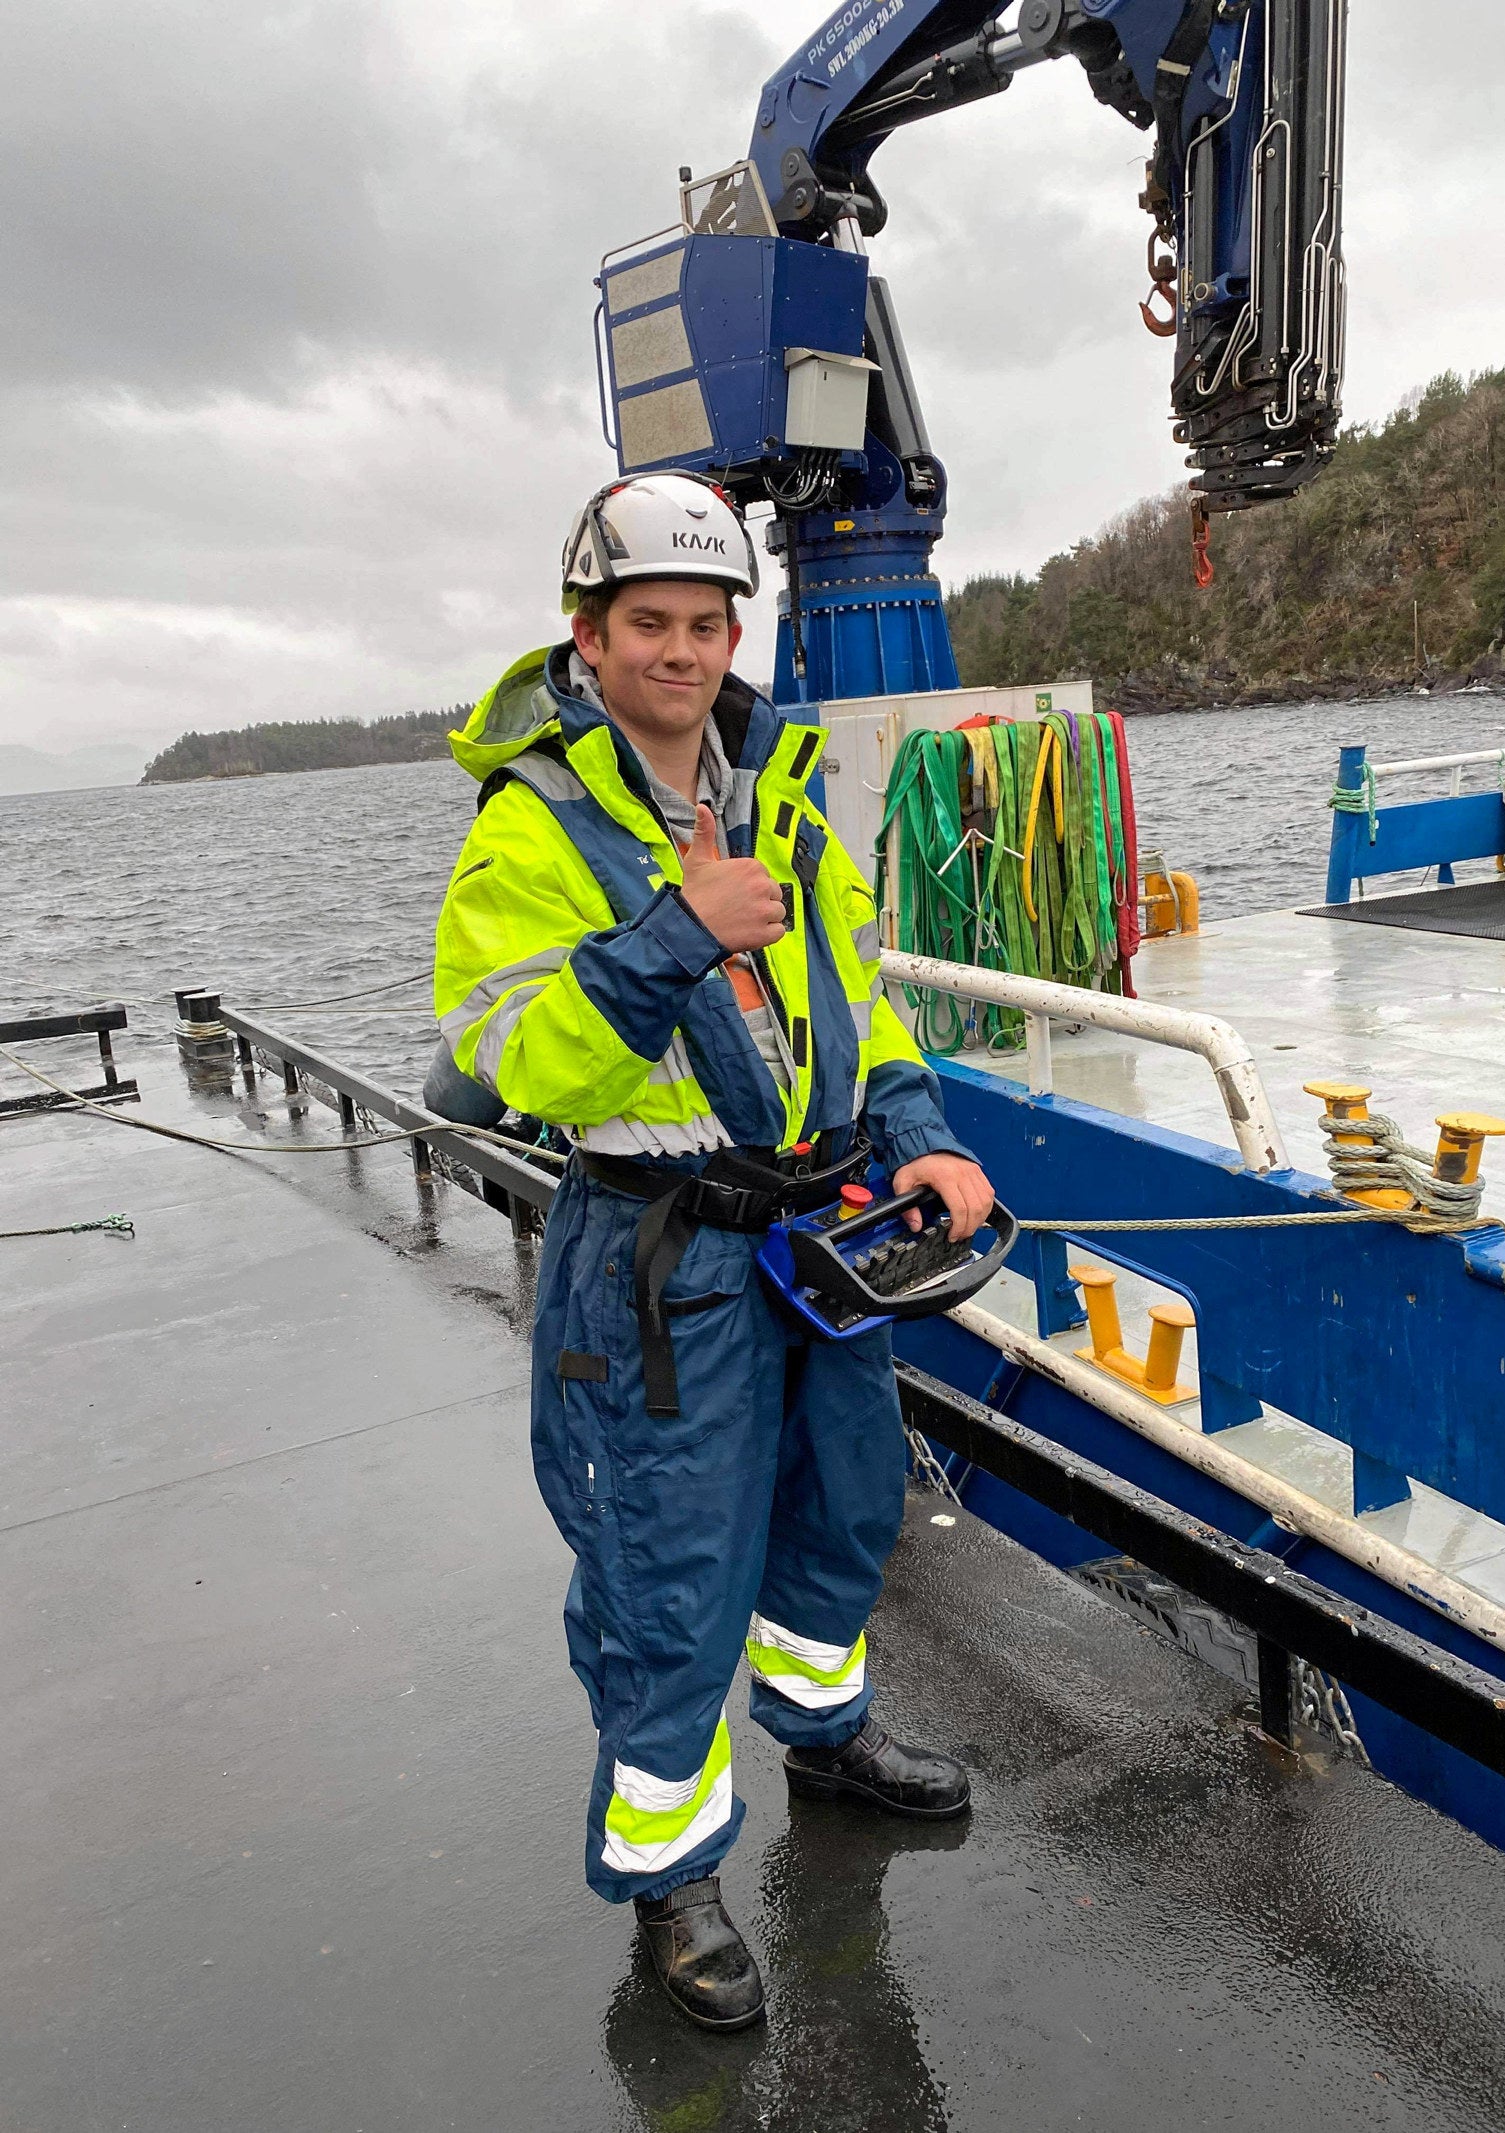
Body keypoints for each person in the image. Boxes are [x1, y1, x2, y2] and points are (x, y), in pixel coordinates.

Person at [430, 470, 995, 2031]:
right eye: (648, 623)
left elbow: (861, 999)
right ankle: (672, 1879)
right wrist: (675, 932)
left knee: (841, 1507)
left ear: (735, 634)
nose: (679, 650)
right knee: (667, 1570)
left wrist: (920, 1131)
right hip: (664, 1260)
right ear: (590, 637)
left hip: (822, 1235)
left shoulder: (783, 791)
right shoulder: (530, 827)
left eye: (704, 622)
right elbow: (514, 1056)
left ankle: (827, 1732)